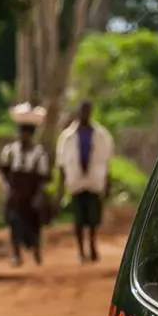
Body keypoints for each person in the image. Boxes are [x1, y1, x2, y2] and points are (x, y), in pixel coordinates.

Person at [55, 101, 115, 264]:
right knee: (79, 219)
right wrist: (60, 189)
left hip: (95, 181)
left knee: (94, 218)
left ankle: (93, 244)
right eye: (83, 111)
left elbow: (107, 162)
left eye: (88, 111)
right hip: (76, 182)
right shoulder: (67, 137)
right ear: (78, 113)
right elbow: (61, 164)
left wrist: (108, 183)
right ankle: (81, 252)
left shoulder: (102, 135)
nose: (85, 115)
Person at [0, 103, 52, 267]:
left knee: (34, 225)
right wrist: (8, 189)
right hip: (15, 194)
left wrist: (38, 196)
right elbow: (4, 172)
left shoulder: (39, 153)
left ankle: (36, 250)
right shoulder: (10, 151)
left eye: (27, 133)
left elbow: (42, 177)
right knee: (14, 223)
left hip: (31, 195)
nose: (23, 136)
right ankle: (16, 255)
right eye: (21, 132)